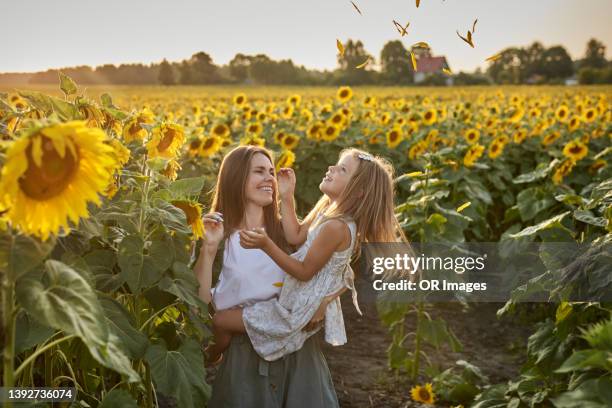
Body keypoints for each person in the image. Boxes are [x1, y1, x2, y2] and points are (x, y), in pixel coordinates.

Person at [209, 148, 405, 365]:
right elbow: (295, 235)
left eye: (342, 169)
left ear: (358, 190)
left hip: (296, 308)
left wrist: (266, 245)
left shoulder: (337, 227)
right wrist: (286, 196)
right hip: (296, 299)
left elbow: (304, 272)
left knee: (221, 321)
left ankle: (211, 356)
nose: (331, 168)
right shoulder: (328, 211)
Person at [193, 145, 342, 407]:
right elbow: (200, 301)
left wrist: (325, 301)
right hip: (244, 354)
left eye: (271, 172)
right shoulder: (217, 230)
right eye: (259, 171)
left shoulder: (288, 232)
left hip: (298, 355)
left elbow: (337, 269)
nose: (269, 179)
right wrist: (207, 249)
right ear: (236, 178)